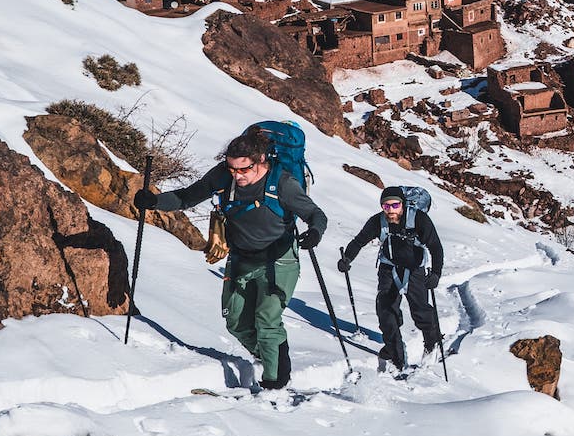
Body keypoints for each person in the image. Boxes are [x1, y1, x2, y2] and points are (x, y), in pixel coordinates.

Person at [136, 125, 326, 390]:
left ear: (260, 160)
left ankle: (276, 383)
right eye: (232, 169)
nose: (237, 175)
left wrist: (314, 233)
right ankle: (269, 355)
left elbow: (316, 214)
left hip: (278, 260)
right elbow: (187, 197)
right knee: (236, 322)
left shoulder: (282, 183)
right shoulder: (224, 176)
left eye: (243, 169)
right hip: (240, 258)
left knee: (267, 320)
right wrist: (154, 201)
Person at [338, 186, 443, 372]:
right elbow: (359, 241)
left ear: (403, 204)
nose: (391, 210)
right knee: (386, 311)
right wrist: (347, 258)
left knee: (420, 311)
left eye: (395, 205)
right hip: (389, 268)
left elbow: (435, 247)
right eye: (386, 206)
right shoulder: (378, 221)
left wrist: (435, 273)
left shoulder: (419, 219)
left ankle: (432, 342)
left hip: (414, 269)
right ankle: (396, 356)